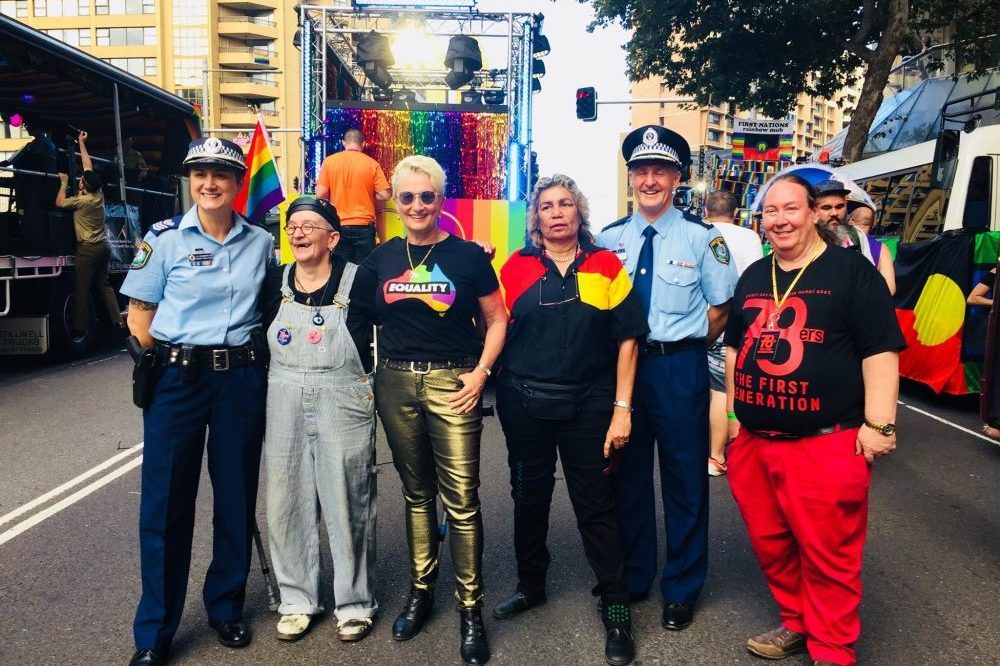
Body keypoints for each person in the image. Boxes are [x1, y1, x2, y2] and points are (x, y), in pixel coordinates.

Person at [724, 174, 903, 666]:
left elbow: (881, 350)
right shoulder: (755, 275)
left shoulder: (852, 273)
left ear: (816, 213)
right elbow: (737, 350)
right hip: (757, 442)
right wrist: (734, 419)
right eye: (770, 211)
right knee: (772, 544)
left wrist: (880, 424)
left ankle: (833, 649)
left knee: (830, 554)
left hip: (826, 442)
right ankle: (797, 623)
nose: (780, 219)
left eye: (790, 208)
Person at [120, 136, 274, 666]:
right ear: (190, 181)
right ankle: (155, 631)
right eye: (199, 174)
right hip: (177, 381)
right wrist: (156, 373)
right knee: (164, 506)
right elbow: (139, 319)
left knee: (235, 496)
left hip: (238, 382)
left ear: (237, 185)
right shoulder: (162, 239)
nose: (209, 183)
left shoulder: (259, 242)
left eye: (221, 175)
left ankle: (225, 607)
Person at [492, 174, 648, 666]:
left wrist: (622, 409)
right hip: (524, 403)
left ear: (579, 212)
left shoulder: (605, 266)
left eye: (565, 204)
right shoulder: (514, 268)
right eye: (546, 206)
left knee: (595, 504)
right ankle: (530, 585)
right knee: (528, 496)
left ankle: (616, 605)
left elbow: (628, 340)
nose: (557, 213)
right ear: (535, 218)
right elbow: (492, 325)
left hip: (590, 404)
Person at [362, 155, 507, 665]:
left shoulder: (468, 256)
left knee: (462, 500)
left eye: (427, 196)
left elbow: (497, 319)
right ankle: (421, 593)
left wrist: (481, 374)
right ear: (395, 203)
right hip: (397, 382)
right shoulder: (380, 259)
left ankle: (471, 608)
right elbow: (358, 319)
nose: (418, 205)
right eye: (408, 197)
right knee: (417, 494)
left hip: (454, 380)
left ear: (440, 201)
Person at [597, 125, 737, 631]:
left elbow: (721, 309)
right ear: (631, 177)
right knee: (628, 478)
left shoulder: (704, 238)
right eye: (641, 170)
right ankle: (635, 577)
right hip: (625, 372)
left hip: (679, 368)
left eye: (660, 170)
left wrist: (682, 345)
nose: (650, 180)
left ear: (677, 177)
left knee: (684, 482)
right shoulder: (609, 239)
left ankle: (681, 588)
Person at [258, 196, 380, 643]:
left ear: (332, 237)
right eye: (293, 226)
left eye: (310, 226)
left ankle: (354, 603)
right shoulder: (274, 283)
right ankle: (297, 600)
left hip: (342, 397)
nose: (299, 233)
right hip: (283, 394)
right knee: (287, 499)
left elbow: (403, 315)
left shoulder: (360, 281)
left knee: (348, 499)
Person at [702, 190, 763, 476]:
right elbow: (753, 279)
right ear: (736, 213)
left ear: (705, 211)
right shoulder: (750, 237)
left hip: (704, 319)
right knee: (727, 388)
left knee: (709, 389)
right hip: (738, 321)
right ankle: (722, 452)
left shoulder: (700, 231)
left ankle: (712, 452)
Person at [55, 129, 124, 339]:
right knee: (103, 284)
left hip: (87, 250)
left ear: (83, 186)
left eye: (81, 181)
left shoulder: (81, 201)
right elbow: (88, 167)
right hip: (103, 246)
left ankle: (79, 328)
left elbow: (59, 203)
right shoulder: (98, 195)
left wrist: (64, 182)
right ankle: (117, 321)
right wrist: (82, 143)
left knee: (81, 288)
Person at [315, 128, 391, 263]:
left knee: (342, 271)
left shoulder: (329, 162)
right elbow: (384, 195)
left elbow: (320, 194)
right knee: (365, 272)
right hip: (365, 227)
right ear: (363, 144)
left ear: (344, 143)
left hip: (339, 226)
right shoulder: (372, 164)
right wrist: (369, 193)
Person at [816, 180, 895, 295]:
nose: (834, 213)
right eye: (826, 207)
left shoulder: (875, 248)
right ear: (814, 211)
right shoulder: (801, 245)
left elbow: (888, 291)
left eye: (839, 206)